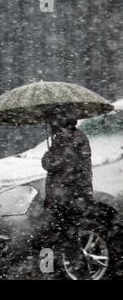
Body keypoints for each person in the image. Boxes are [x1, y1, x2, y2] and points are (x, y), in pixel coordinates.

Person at [40, 117, 93, 276]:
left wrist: (48, 157)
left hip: (65, 199)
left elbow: (57, 165)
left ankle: (50, 273)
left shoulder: (68, 140)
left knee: (56, 239)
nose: (51, 126)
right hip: (70, 198)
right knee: (65, 240)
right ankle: (59, 272)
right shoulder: (75, 137)